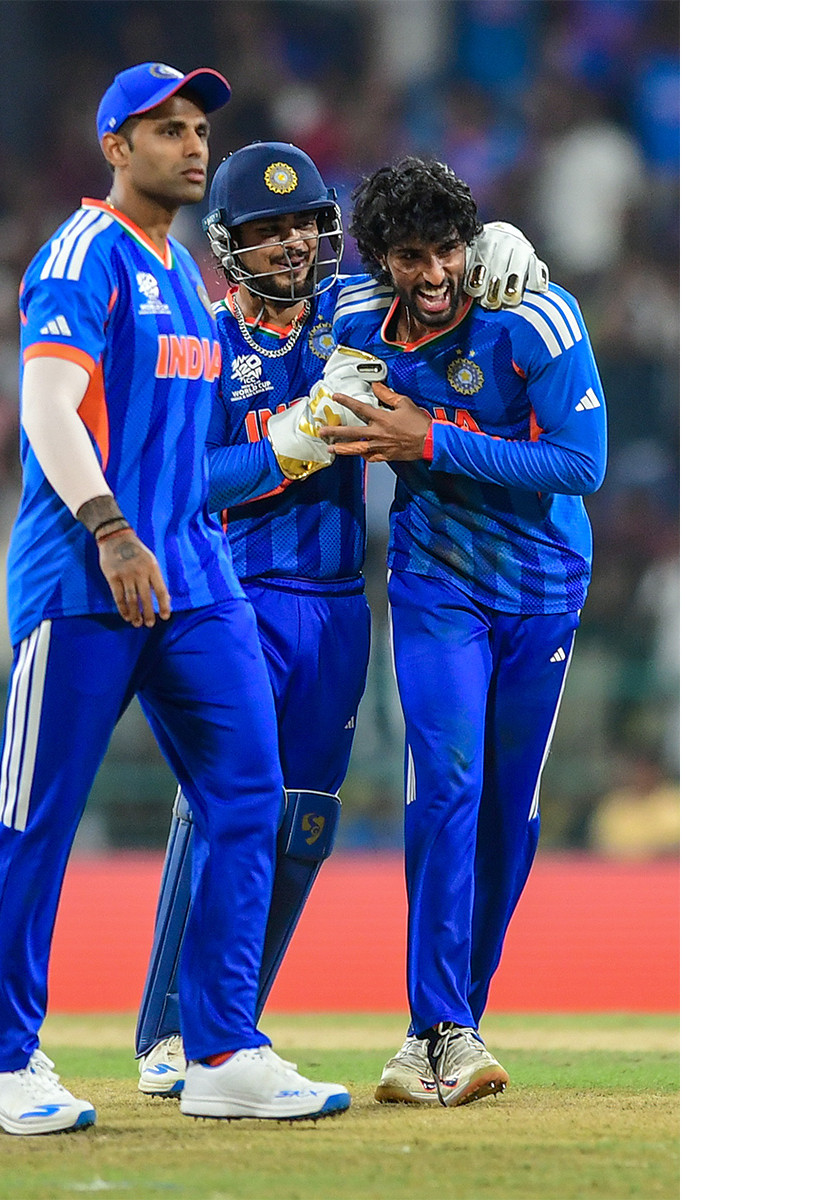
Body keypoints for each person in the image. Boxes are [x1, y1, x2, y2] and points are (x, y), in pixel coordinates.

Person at [0, 63, 350, 1137]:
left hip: (197, 579)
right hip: (86, 579)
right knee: (36, 819)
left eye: (198, 130)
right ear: (115, 147)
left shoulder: (182, 271)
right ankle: (2, 1062)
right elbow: (47, 407)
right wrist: (109, 527)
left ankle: (219, 1050)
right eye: (167, 129)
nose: (192, 146)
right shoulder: (80, 254)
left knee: (249, 797)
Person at [131, 141, 552, 1097]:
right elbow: (185, 480)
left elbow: (439, 271)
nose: (290, 245)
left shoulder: (352, 312)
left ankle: (231, 1029)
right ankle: (170, 1032)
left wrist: (504, 240)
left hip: (335, 607)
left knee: (305, 822)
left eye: (303, 225)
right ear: (229, 244)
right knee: (223, 804)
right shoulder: (201, 340)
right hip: (233, 595)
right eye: (267, 230)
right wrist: (288, 443)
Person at [317, 157, 608, 1108]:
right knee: (448, 784)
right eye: (411, 255)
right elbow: (261, 312)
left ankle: (451, 1025)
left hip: (542, 587)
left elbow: (583, 464)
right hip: (436, 582)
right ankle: (436, 1026)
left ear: (470, 242)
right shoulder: (353, 316)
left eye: (448, 249)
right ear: (382, 260)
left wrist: (430, 441)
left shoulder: (534, 314)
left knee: (508, 817)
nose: (434, 272)